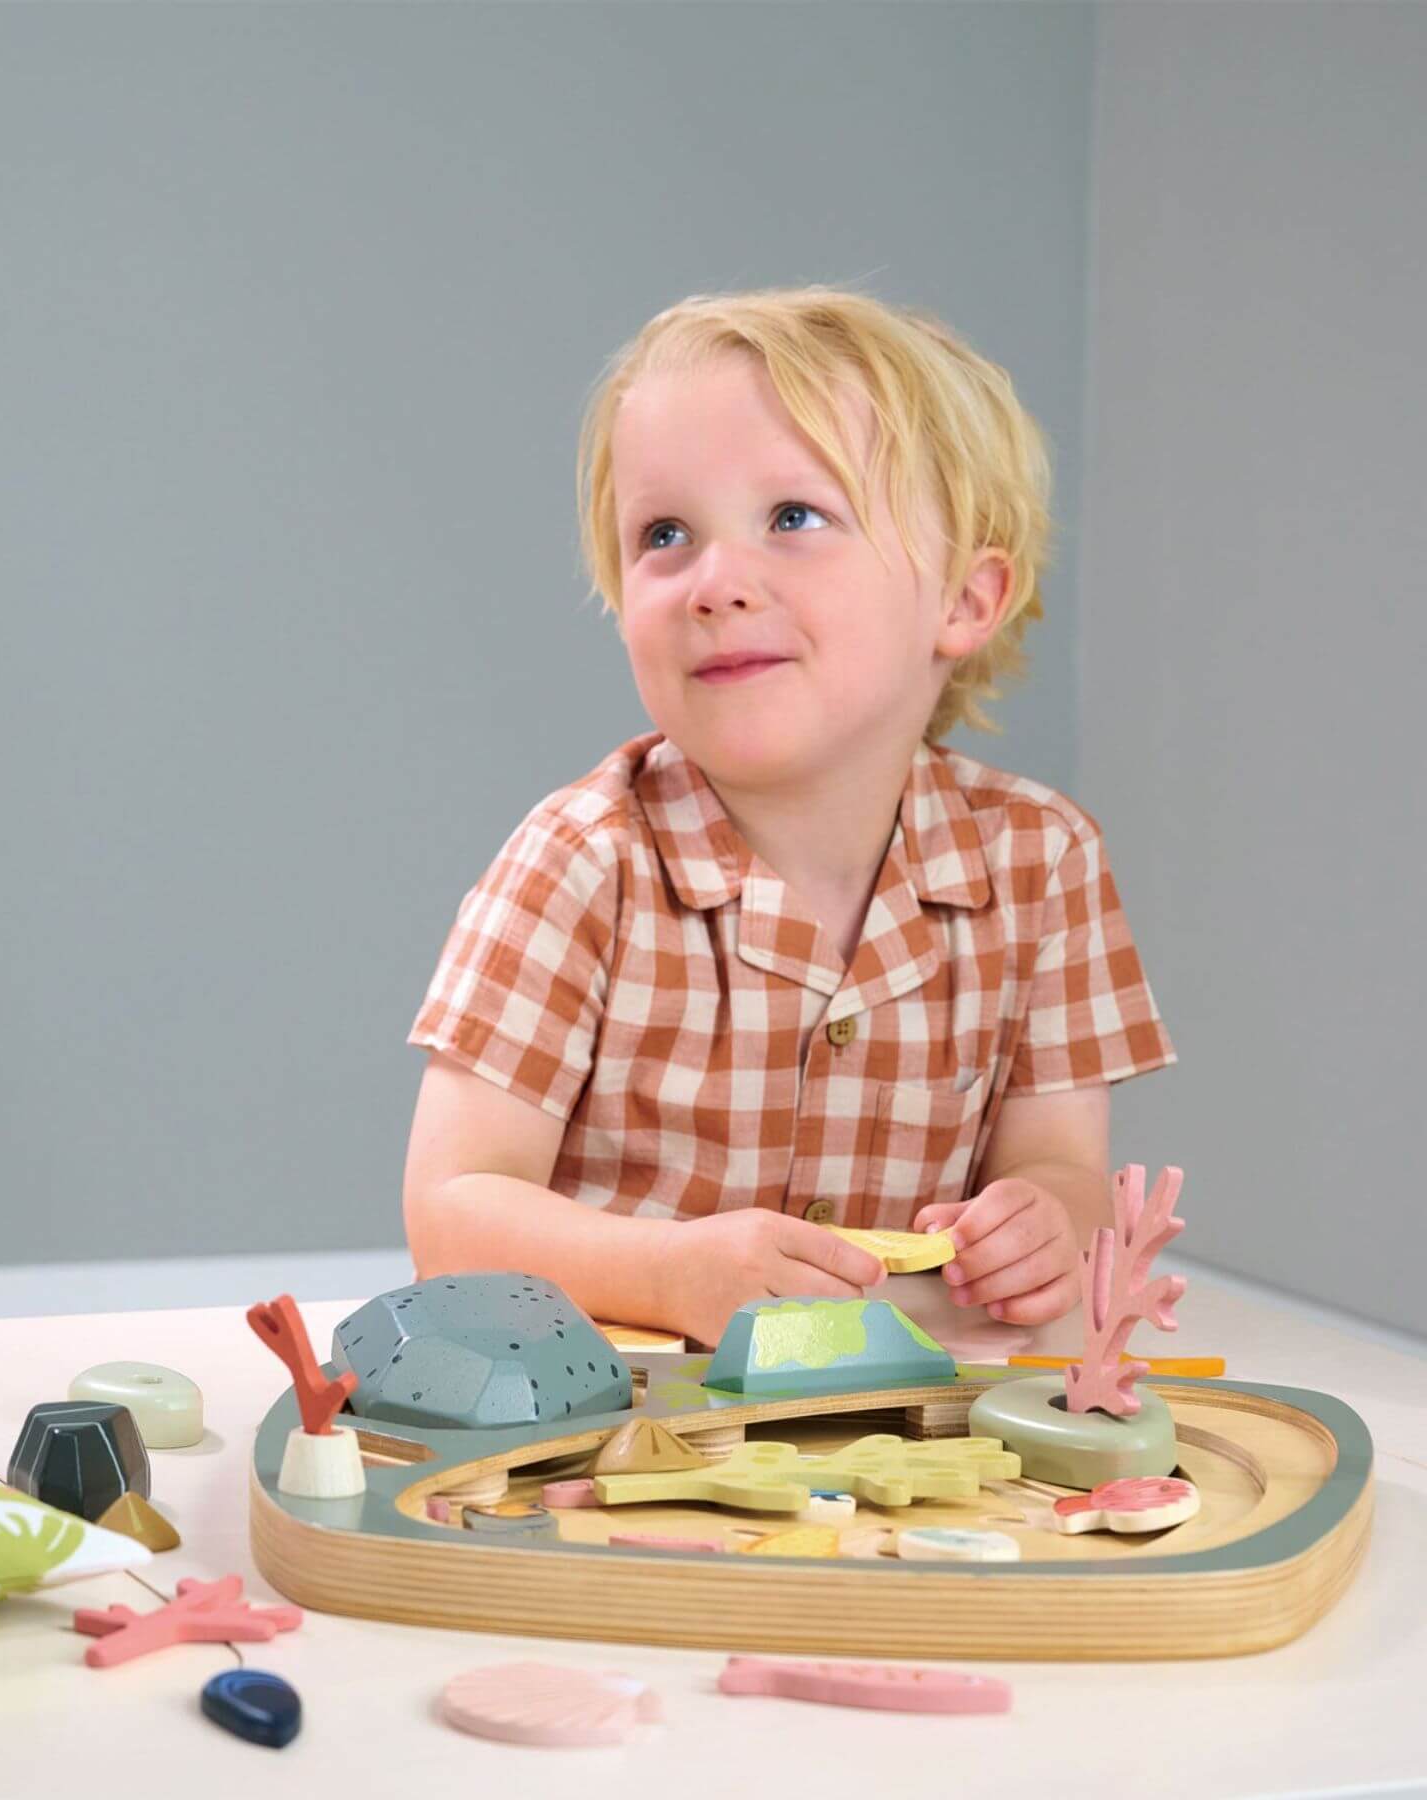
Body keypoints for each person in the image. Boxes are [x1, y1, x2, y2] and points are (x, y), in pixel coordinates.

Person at [401, 284, 1176, 1349]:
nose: (716, 580)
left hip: (918, 1425)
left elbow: (1064, 1168)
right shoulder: (582, 862)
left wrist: (1046, 1223)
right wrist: (671, 1273)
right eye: (665, 534)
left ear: (963, 599)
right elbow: (452, 1214)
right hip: (627, 1431)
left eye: (794, 517)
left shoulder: (1043, 862)